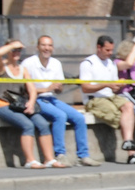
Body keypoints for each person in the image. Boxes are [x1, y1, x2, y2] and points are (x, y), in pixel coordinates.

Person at [22, 35, 96, 166]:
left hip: (51, 98)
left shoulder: (56, 63)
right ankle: (60, 154)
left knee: (79, 117)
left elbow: (58, 90)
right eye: (44, 45)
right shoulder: (29, 63)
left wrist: (58, 87)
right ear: (38, 47)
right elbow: (25, 89)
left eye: (50, 45)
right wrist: (46, 88)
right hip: (36, 99)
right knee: (60, 116)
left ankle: (83, 156)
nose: (47, 48)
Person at [0, 39, 57, 168]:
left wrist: (31, 103)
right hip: (2, 104)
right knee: (28, 125)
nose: (16, 52)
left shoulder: (22, 69)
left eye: (19, 50)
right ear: (8, 50)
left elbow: (32, 89)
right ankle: (30, 161)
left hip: (19, 104)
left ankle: (49, 159)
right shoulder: (1, 66)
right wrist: (12, 45)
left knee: (42, 124)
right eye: (13, 50)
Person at [80, 35, 135, 164]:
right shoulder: (88, 63)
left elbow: (113, 87)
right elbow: (85, 88)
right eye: (107, 50)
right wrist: (106, 84)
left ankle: (128, 143)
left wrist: (118, 85)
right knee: (121, 116)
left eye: (111, 50)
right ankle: (132, 153)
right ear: (99, 47)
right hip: (95, 99)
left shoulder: (110, 63)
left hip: (110, 96)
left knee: (128, 106)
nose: (110, 53)